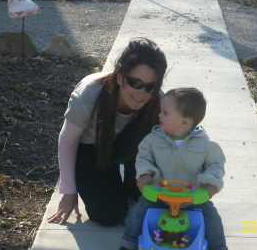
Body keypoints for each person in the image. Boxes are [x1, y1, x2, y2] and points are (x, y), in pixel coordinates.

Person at [47, 38, 167, 226]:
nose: (142, 93)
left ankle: (130, 188)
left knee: (149, 198)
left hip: (133, 151)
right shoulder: (89, 95)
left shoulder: (158, 101)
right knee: (107, 215)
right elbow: (68, 141)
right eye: (135, 83)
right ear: (120, 77)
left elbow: (171, 140)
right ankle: (114, 193)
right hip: (93, 149)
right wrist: (69, 191)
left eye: (150, 86)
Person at [111, 88, 231, 250]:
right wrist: (145, 173)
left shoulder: (206, 145)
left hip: (192, 198)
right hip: (159, 195)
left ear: (184, 121)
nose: (159, 115)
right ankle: (128, 246)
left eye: (165, 112)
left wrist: (209, 181)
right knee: (139, 211)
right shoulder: (153, 139)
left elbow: (216, 164)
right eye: (161, 110)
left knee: (211, 215)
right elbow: (143, 157)